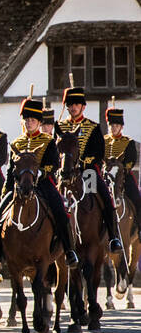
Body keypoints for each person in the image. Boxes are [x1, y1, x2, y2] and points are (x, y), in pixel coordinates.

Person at [0, 98, 79, 266]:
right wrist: (6, 191)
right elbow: (11, 172)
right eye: (26, 120)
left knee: (61, 212)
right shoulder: (16, 143)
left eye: (32, 120)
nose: (29, 123)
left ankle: (69, 251)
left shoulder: (48, 142)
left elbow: (54, 164)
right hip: (19, 187)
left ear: (39, 122)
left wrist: (41, 171)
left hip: (43, 184)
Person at [58, 86, 124, 251]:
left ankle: (113, 237)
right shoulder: (60, 127)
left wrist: (82, 163)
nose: (73, 107)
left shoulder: (93, 128)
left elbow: (98, 153)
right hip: (65, 172)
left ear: (83, 107)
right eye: (70, 104)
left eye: (76, 104)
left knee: (106, 200)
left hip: (88, 173)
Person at [104, 106, 141, 215]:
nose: (114, 128)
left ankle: (138, 226)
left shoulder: (128, 142)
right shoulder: (103, 140)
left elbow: (131, 160)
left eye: (117, 125)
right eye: (112, 125)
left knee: (136, 199)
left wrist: (123, 169)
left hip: (123, 176)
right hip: (105, 175)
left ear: (121, 127)